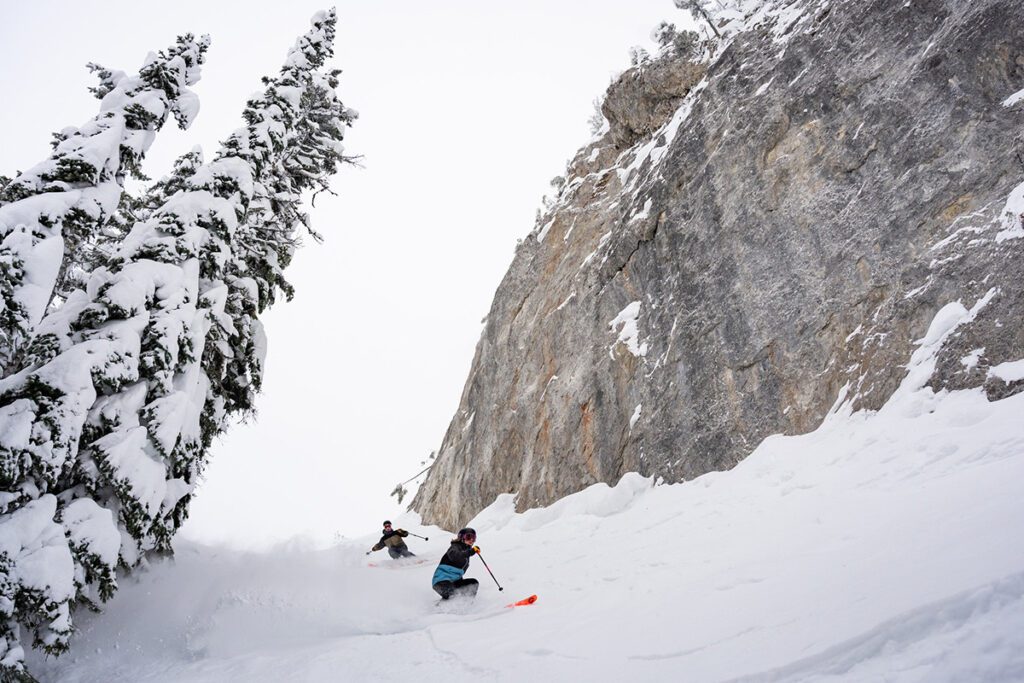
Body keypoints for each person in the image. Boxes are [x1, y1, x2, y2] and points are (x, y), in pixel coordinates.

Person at [431, 528, 480, 600]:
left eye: (474, 538)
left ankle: (467, 604)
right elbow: (455, 556)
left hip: (454, 582)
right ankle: (443, 609)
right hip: (441, 582)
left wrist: (469, 551)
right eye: (468, 537)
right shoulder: (455, 547)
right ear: (461, 537)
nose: (471, 540)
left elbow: (457, 572)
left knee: (473, 584)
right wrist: (470, 552)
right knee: (454, 595)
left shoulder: (466, 551)